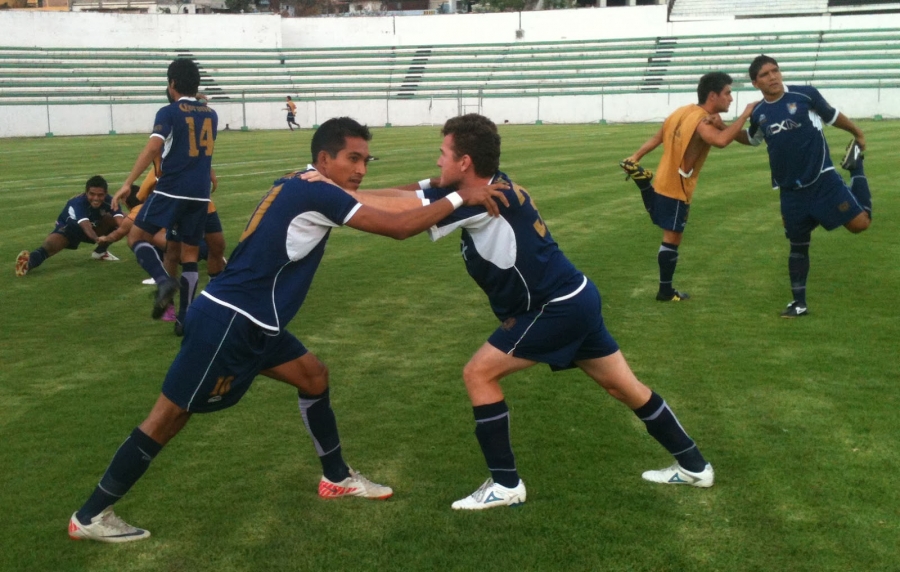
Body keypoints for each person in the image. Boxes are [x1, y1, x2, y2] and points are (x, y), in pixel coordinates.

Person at [67, 116, 508, 542]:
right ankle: (90, 514)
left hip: (258, 323)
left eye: (365, 161)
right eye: (352, 159)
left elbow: (393, 194)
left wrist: (439, 187)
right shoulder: (317, 193)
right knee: (167, 419)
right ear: (324, 157)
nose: (359, 169)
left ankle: (336, 478)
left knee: (313, 375)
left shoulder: (308, 182)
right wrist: (460, 199)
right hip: (230, 322)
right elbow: (395, 226)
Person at [340, 114, 714, 510]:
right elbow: (417, 190)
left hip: (553, 308)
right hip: (576, 297)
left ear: (465, 162)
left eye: (443, 153)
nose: (438, 162)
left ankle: (505, 485)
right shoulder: (489, 182)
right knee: (623, 386)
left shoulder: (484, 200)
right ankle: (694, 465)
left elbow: (400, 214)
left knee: (478, 373)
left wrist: (327, 193)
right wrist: (340, 189)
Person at [737, 55, 872, 318]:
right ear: (755, 83)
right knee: (798, 245)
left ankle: (857, 169)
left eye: (775, 70)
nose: (773, 77)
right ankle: (799, 303)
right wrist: (724, 129)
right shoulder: (759, 112)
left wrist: (857, 133)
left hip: (823, 181)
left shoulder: (805, 94)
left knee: (860, 225)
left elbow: (833, 117)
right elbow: (753, 140)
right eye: (765, 74)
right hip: (790, 192)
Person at [619, 72, 756, 301]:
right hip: (677, 187)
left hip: (664, 179)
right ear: (713, 95)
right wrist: (745, 115)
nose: (731, 98)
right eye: (728, 93)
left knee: (661, 219)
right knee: (672, 237)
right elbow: (721, 141)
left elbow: (657, 136)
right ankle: (665, 291)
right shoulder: (702, 120)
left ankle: (644, 184)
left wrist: (635, 157)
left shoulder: (682, 111)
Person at [111, 58, 218, 322]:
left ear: (171, 83)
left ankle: (163, 281)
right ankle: (184, 318)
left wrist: (128, 182)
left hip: (172, 190)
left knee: (136, 237)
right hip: (200, 194)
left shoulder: (168, 112)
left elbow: (153, 148)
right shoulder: (211, 114)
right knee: (189, 253)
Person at [15, 175, 124, 276]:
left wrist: (130, 231)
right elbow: (85, 225)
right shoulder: (78, 202)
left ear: (106, 193)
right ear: (86, 192)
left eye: (100, 195)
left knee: (118, 221)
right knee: (50, 246)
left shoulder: (111, 201)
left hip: (94, 227)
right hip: (70, 228)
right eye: (92, 194)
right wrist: (97, 238)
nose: (96, 198)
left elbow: (121, 222)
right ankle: (28, 263)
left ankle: (100, 252)